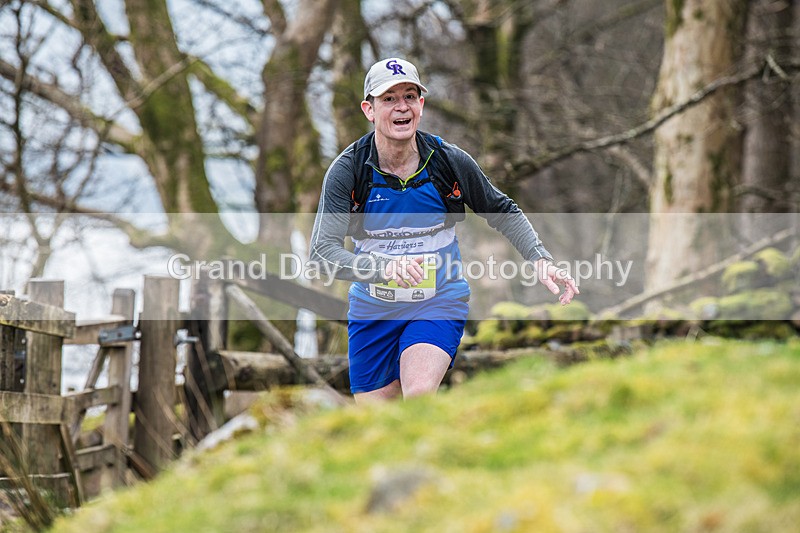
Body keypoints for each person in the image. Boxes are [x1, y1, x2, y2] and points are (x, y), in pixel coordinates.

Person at [310, 57, 578, 404]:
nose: (401, 107)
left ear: (421, 104)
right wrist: (383, 268)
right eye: (388, 99)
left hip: (437, 300)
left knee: (418, 396)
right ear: (369, 110)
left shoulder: (447, 161)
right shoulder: (349, 171)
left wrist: (540, 258)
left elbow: (502, 209)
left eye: (410, 96)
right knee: (380, 427)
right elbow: (322, 252)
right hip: (372, 311)